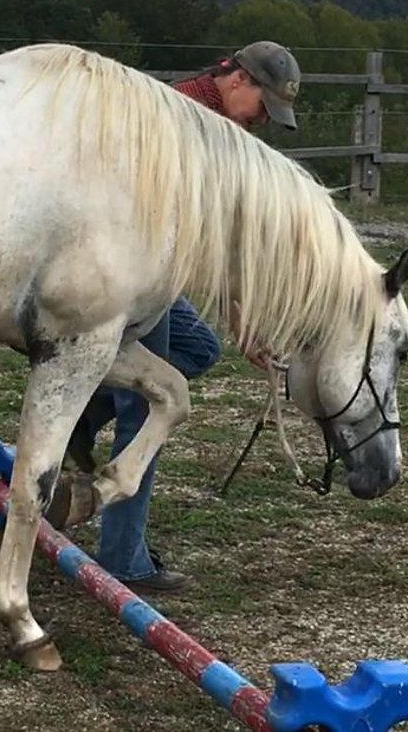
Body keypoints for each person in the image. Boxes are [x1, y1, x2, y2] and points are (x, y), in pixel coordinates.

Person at [45, 40, 303, 596]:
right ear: (238, 81)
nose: (262, 122)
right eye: (263, 107)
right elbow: (213, 242)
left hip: (144, 274)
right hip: (135, 278)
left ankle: (82, 422)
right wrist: (246, 323)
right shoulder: (195, 126)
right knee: (150, 401)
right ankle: (124, 559)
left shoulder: (193, 110)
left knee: (197, 351)